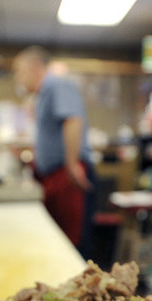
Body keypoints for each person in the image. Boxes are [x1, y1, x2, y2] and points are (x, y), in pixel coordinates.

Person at [13, 46, 94, 254]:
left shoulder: (56, 86)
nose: (18, 79)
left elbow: (73, 121)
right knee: (58, 240)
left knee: (71, 243)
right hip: (54, 174)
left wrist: (72, 164)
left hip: (66, 174)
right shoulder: (42, 95)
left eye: (19, 72)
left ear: (35, 67)